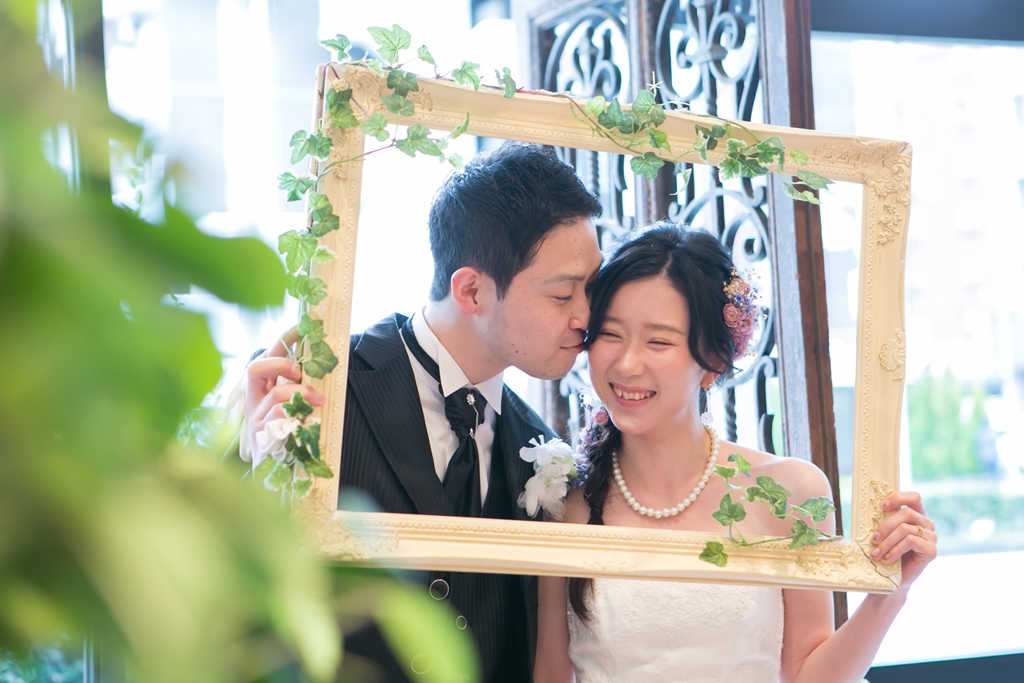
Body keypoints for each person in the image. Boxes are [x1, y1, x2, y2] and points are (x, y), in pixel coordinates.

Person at [245, 142, 604, 683]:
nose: (586, 316)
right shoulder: (314, 387)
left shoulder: (541, 451)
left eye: (591, 289)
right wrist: (257, 456)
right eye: (562, 295)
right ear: (472, 290)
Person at [533, 224, 938, 683]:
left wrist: (891, 592)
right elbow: (550, 674)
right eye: (610, 334)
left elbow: (807, 675)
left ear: (712, 361)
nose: (627, 364)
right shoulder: (565, 505)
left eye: (658, 341)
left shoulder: (790, 492)